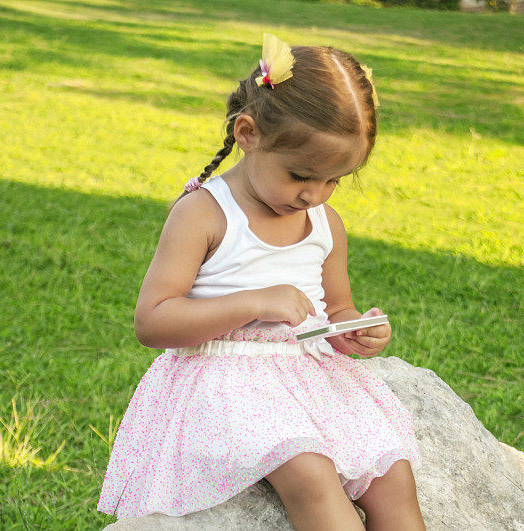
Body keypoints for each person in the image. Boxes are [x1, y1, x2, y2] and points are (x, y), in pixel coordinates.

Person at [97, 33, 425, 530]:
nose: (315, 194)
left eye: (336, 180)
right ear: (248, 133)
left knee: (393, 475)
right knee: (311, 473)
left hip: (311, 379)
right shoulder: (204, 213)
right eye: (301, 176)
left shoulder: (324, 223)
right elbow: (153, 321)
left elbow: (336, 310)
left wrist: (355, 330)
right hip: (224, 381)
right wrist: (252, 303)